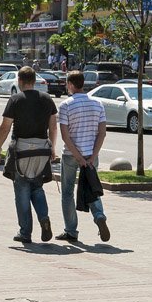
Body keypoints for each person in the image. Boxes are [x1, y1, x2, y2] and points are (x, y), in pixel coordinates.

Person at [0, 66, 58, 244]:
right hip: (42, 150)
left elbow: (5, 127)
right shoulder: (47, 99)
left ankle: (25, 232)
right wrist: (52, 149)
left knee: (22, 191)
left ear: (20, 81)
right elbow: (53, 126)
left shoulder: (15, 100)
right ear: (35, 81)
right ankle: (44, 218)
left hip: (21, 150)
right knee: (37, 187)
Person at [56, 70, 110, 243]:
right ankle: (99, 216)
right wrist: (92, 156)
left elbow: (65, 136)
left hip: (72, 156)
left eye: (67, 83)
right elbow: (102, 133)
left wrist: (78, 157)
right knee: (91, 188)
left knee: (67, 193)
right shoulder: (98, 104)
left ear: (71, 84)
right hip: (91, 155)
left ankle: (71, 231)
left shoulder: (66, 105)